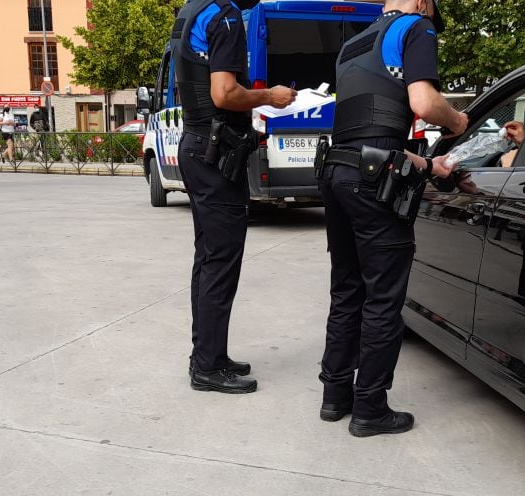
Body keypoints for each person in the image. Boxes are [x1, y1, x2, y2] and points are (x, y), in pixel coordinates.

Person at [316, 0, 467, 437]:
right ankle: (370, 410)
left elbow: (369, 134)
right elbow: (422, 102)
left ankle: (334, 396)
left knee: (346, 291)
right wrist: (455, 120)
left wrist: (427, 166)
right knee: (382, 299)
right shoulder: (416, 27)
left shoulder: (354, 43)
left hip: (337, 172)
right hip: (373, 183)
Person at [173, 0, 296, 394]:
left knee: (208, 258)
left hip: (197, 147)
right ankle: (207, 367)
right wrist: (268, 97)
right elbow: (224, 94)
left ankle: (209, 355)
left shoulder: (193, 10)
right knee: (220, 263)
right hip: (215, 154)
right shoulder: (224, 16)